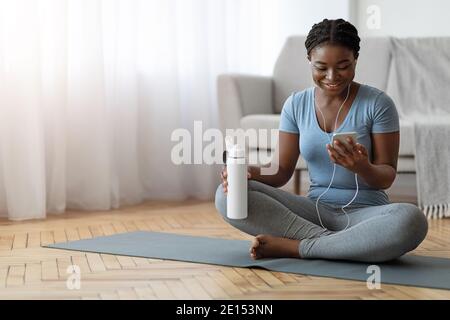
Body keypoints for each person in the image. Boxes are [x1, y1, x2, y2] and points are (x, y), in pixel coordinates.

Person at [214, 18, 428, 263]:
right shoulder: (296, 104)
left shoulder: (378, 104)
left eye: (343, 66)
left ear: (356, 59)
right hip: (314, 212)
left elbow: (387, 176)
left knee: (412, 220)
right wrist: (248, 172)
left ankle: (297, 248)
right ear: (309, 60)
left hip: (367, 214)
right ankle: (340, 244)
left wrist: (362, 167)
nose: (331, 76)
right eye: (321, 67)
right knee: (227, 194)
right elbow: (282, 171)